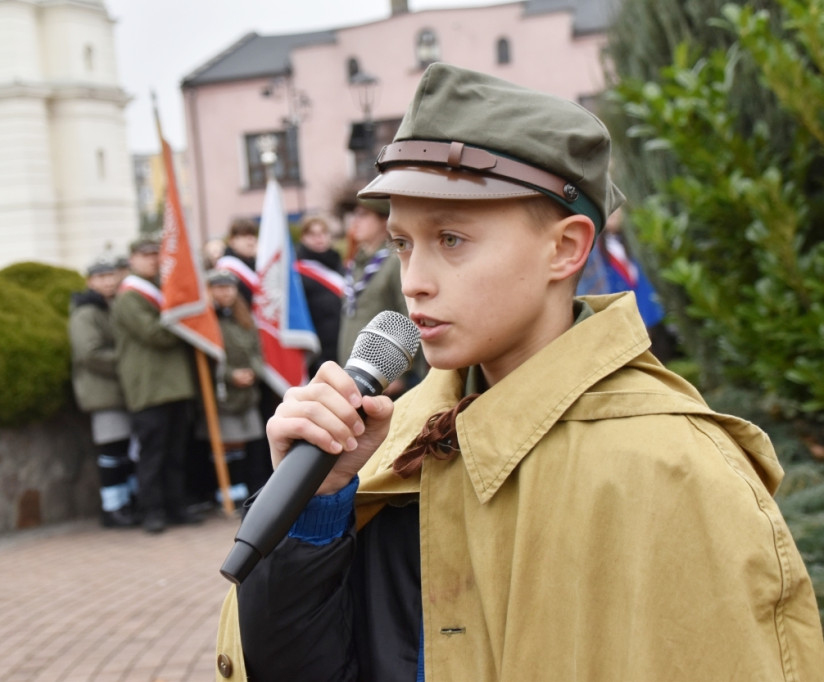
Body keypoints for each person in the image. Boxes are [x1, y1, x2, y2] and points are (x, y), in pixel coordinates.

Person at [216, 64, 824, 681]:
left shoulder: (676, 470)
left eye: (451, 239)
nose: (415, 280)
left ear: (565, 248)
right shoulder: (394, 441)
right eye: (403, 243)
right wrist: (317, 508)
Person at [112, 236, 202, 533]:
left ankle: (176, 507)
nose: (152, 260)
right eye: (145, 255)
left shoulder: (161, 291)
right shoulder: (129, 296)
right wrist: (185, 318)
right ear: (132, 259)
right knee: (153, 455)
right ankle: (152, 511)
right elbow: (155, 334)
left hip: (175, 386)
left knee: (176, 453)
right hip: (149, 388)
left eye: (155, 255)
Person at [68, 255, 137, 528]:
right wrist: (128, 363)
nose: (108, 281)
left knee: (124, 451)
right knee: (111, 451)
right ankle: (112, 507)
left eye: (111, 275)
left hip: (120, 390)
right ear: (90, 281)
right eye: (101, 277)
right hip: (103, 393)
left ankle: (127, 501)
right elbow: (90, 353)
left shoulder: (112, 306)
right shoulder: (86, 312)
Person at [335, 185, 423, 396]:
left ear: (385, 221)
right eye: (353, 215)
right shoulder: (358, 262)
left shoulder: (395, 261)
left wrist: (400, 375)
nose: (354, 221)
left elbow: (410, 317)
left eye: (363, 215)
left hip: (387, 379)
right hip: (356, 372)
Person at [578, 207, 678, 361]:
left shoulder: (632, 241)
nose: (614, 213)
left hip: (646, 315)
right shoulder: (594, 252)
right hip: (618, 322)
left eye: (617, 209)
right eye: (609, 209)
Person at [205, 268, 266, 507]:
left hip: (247, 391)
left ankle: (243, 491)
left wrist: (253, 372)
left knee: (247, 443)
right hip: (222, 393)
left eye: (229, 287)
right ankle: (227, 494)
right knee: (228, 444)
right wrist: (231, 375)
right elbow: (207, 359)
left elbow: (255, 349)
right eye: (219, 288)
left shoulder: (243, 316)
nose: (226, 292)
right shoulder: (208, 319)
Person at [294, 214, 345, 375]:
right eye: (313, 234)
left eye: (323, 233)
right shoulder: (297, 270)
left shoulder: (338, 263)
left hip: (343, 343)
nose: (319, 238)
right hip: (318, 351)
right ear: (303, 237)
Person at [216, 218, 260, 307]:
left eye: (253, 235)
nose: (251, 241)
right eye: (245, 236)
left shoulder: (257, 264)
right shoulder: (226, 266)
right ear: (232, 241)